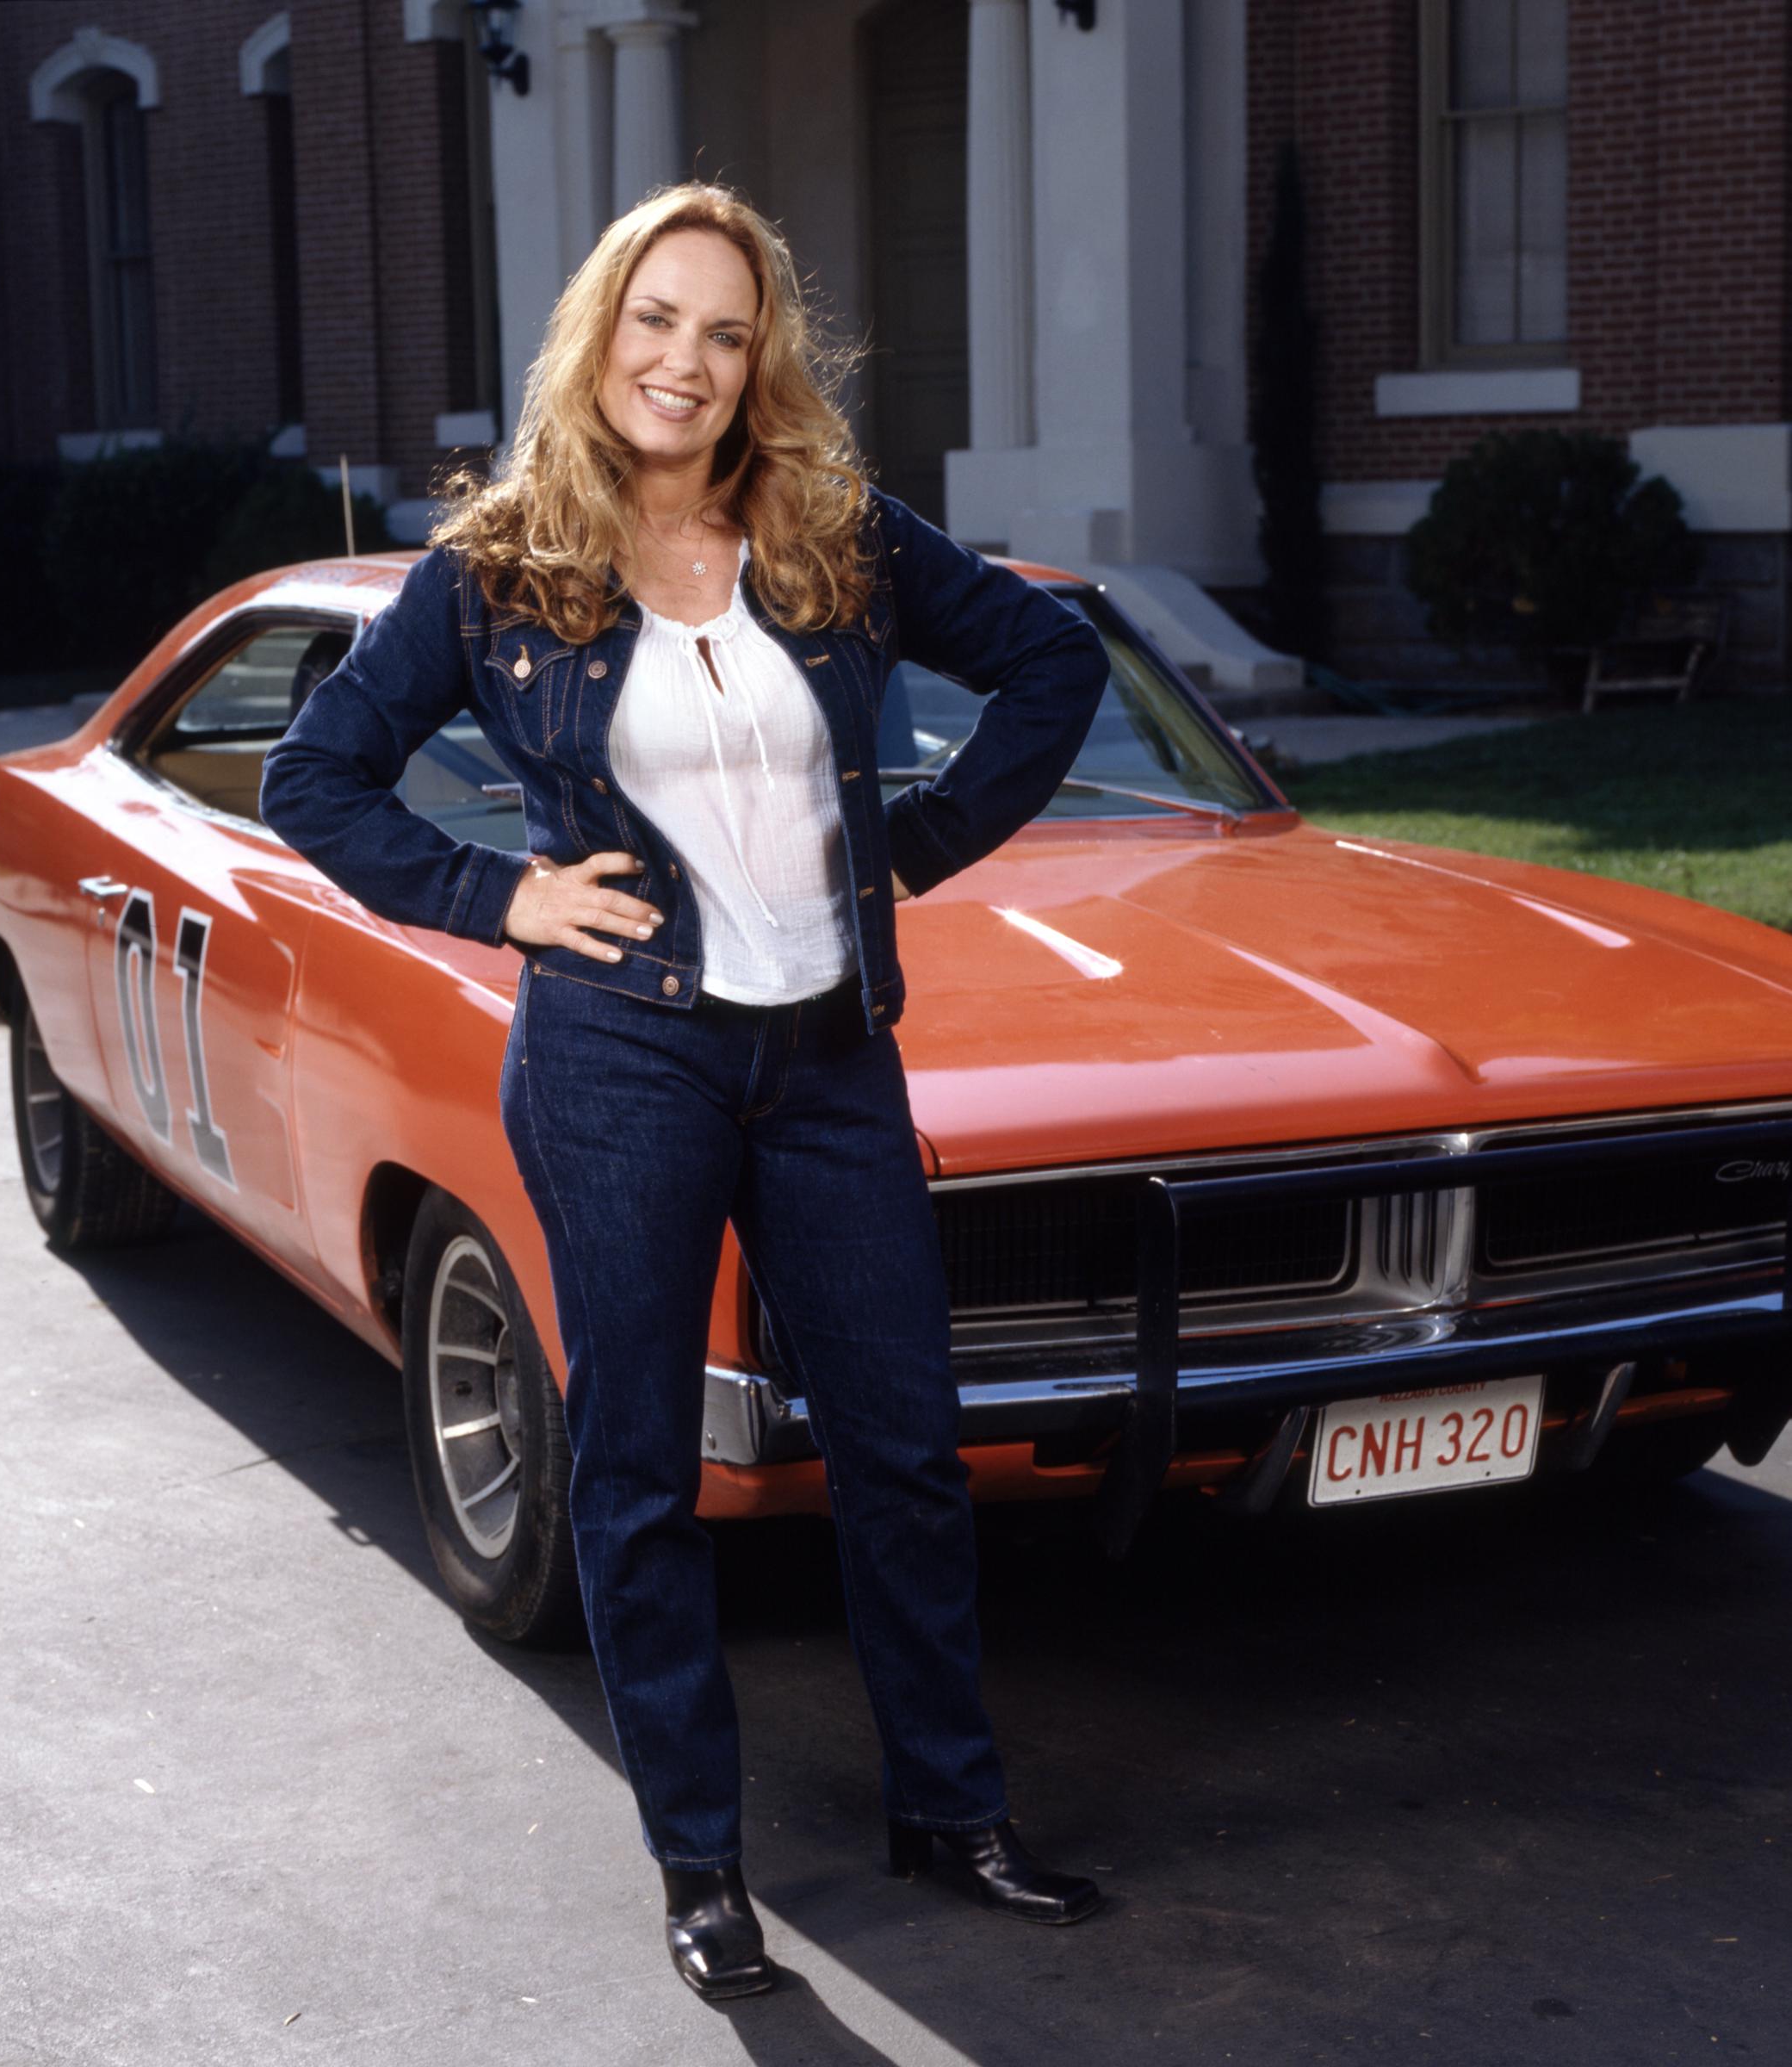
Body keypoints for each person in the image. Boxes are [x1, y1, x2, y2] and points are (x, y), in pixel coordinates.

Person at [258, 182, 1111, 2001]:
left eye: (725, 333)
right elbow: (315, 775)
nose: (688, 362)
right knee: (639, 1471)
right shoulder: (499, 564)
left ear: (760, 362)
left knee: (899, 1449)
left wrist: (918, 844)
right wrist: (499, 895)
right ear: (598, 333)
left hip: (824, 1066)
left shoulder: (834, 533)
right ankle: (700, 1866)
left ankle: (947, 1812)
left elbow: (1053, 657)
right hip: (618, 1057)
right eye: (657, 321)